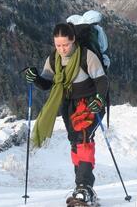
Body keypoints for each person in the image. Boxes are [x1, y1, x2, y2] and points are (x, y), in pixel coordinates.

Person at [24, 22, 108, 205]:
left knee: (83, 139)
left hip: (89, 103)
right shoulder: (53, 59)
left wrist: (100, 99)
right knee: (74, 142)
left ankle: (84, 187)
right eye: (58, 45)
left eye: (66, 45)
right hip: (67, 106)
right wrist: (35, 78)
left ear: (73, 40)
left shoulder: (87, 56)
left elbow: (102, 81)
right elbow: (47, 84)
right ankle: (82, 188)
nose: (62, 49)